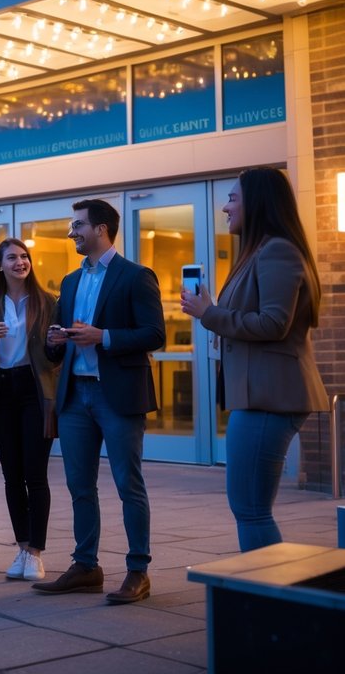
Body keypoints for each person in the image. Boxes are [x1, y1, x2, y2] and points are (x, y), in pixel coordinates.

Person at [181, 167, 328, 552]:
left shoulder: (278, 250)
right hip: (260, 395)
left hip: (270, 397)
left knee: (251, 509)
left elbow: (273, 323)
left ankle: (268, 601)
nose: (225, 207)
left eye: (232, 198)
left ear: (257, 202)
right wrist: (212, 310)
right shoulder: (259, 252)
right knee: (250, 507)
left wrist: (208, 313)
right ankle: (268, 598)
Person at [33, 199, 165, 605]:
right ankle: (86, 566)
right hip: (76, 397)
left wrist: (103, 337)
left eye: (79, 225)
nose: (72, 232)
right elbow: (58, 347)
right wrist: (55, 341)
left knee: (129, 484)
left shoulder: (136, 276)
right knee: (78, 486)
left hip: (117, 395)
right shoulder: (70, 282)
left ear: (102, 229)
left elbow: (153, 334)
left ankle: (138, 571)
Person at [0, 238, 59, 582]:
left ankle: (36, 552)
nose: (20, 262)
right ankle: (22, 547)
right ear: (0, 266)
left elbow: (56, 352)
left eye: (24, 256)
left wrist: (54, 342)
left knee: (35, 474)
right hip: (2, 392)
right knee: (12, 475)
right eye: (13, 258)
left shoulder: (47, 302)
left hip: (36, 392)